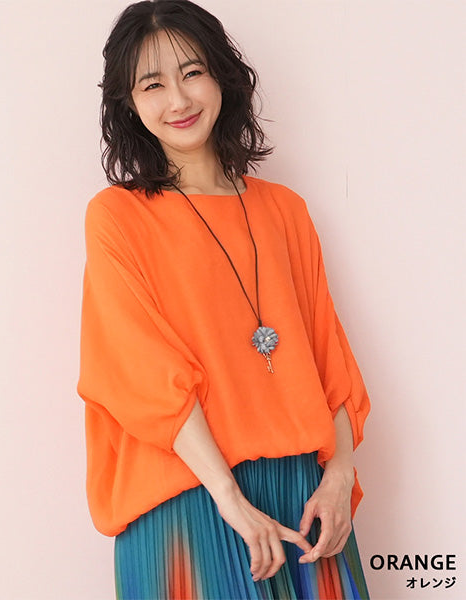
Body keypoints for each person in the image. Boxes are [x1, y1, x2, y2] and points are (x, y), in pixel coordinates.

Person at [77, 1, 371, 598]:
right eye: (152, 84)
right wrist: (228, 497)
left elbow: (327, 355)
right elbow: (141, 374)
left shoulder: (284, 209)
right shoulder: (119, 217)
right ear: (128, 103)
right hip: (189, 496)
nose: (178, 100)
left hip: (305, 495)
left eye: (192, 73)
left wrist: (341, 473)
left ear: (222, 77)